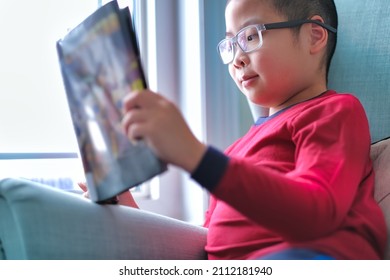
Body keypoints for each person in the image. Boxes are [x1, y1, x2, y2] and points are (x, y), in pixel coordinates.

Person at [84, 0, 387, 259]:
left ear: (314, 37)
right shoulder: (236, 152)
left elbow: (316, 213)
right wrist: (127, 207)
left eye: (251, 37)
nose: (238, 59)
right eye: (230, 44)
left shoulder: (334, 112)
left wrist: (195, 156)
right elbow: (208, 242)